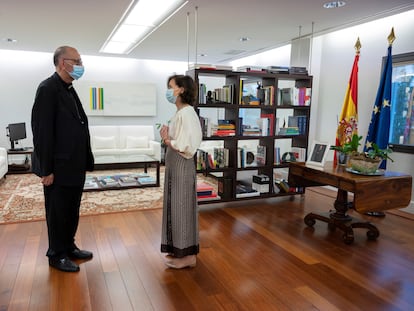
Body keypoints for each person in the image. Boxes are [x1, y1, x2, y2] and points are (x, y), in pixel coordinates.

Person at [31, 46, 95, 272]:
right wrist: (46, 169)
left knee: (71, 210)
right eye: (76, 61)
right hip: (57, 167)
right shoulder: (48, 88)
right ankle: (56, 254)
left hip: (74, 165)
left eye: (80, 60)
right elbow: (42, 132)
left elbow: (78, 124)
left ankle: (69, 247)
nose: (80, 65)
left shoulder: (69, 88)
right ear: (61, 63)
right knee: (58, 212)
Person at [159, 74, 202, 269]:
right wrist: (167, 138)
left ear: (181, 90)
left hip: (182, 164)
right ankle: (177, 249)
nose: (168, 91)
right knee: (175, 207)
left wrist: (168, 140)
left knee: (182, 208)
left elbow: (187, 145)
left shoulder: (187, 113)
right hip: (176, 165)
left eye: (171, 87)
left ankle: (188, 256)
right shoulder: (180, 113)